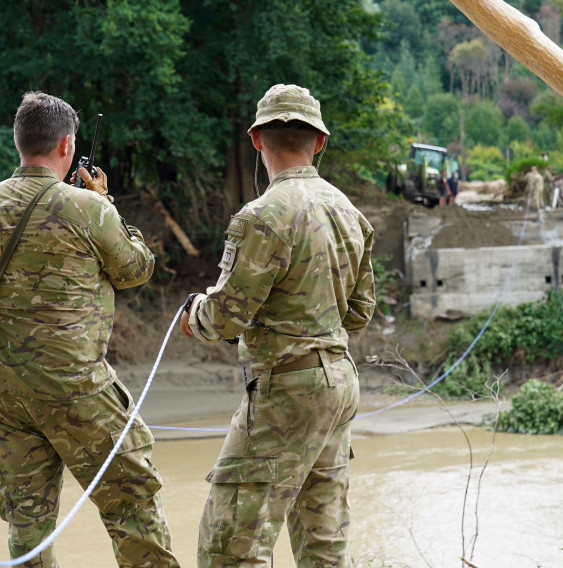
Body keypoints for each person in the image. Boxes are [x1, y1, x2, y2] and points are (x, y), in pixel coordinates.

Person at [180, 84, 376, 567]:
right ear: (320, 141)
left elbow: (226, 317)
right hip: (339, 385)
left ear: (256, 139)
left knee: (231, 547)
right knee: (324, 546)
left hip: (286, 391)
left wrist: (196, 315)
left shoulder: (264, 215)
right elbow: (360, 311)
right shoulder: (349, 212)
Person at [0, 92, 181, 568]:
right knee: (134, 501)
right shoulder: (87, 208)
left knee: (27, 523)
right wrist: (105, 203)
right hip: (75, 390)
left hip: (5, 392)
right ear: (66, 146)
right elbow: (136, 268)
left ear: (19, 143)